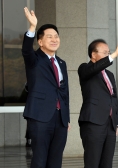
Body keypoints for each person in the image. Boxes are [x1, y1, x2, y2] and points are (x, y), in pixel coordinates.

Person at [22, 7, 70, 168]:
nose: (54, 39)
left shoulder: (61, 63)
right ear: (40, 41)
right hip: (40, 117)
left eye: (56, 36)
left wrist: (66, 118)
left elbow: (64, 92)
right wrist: (32, 27)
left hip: (60, 119)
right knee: (40, 159)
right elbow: (26, 50)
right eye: (49, 37)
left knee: (56, 160)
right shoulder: (34, 60)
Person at [78, 38, 118, 168]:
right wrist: (114, 55)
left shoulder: (109, 75)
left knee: (107, 163)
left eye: (109, 52)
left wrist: (116, 123)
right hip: (93, 122)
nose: (108, 55)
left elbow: (114, 99)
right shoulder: (84, 68)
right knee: (92, 162)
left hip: (110, 124)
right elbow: (95, 69)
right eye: (105, 53)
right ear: (93, 55)